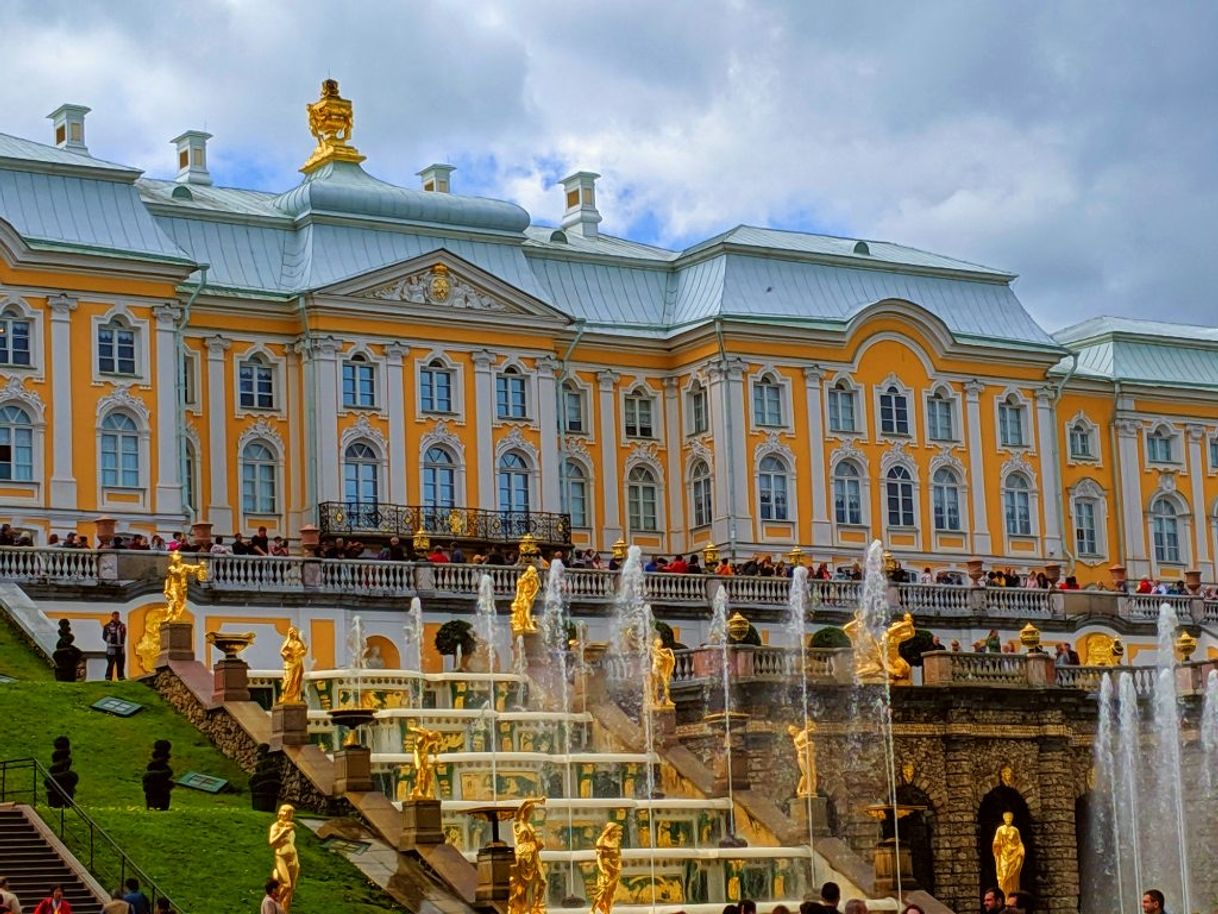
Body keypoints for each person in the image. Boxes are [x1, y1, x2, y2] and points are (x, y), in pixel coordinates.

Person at [101, 611, 126, 681]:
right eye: (115, 616)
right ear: (112, 616)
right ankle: (108, 677)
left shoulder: (122, 626)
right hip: (111, 648)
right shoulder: (107, 626)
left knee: (121, 663)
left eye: (118, 616)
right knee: (110, 664)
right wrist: (110, 640)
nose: (116, 618)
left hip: (120, 647)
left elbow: (124, 635)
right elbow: (104, 637)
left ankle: (121, 677)